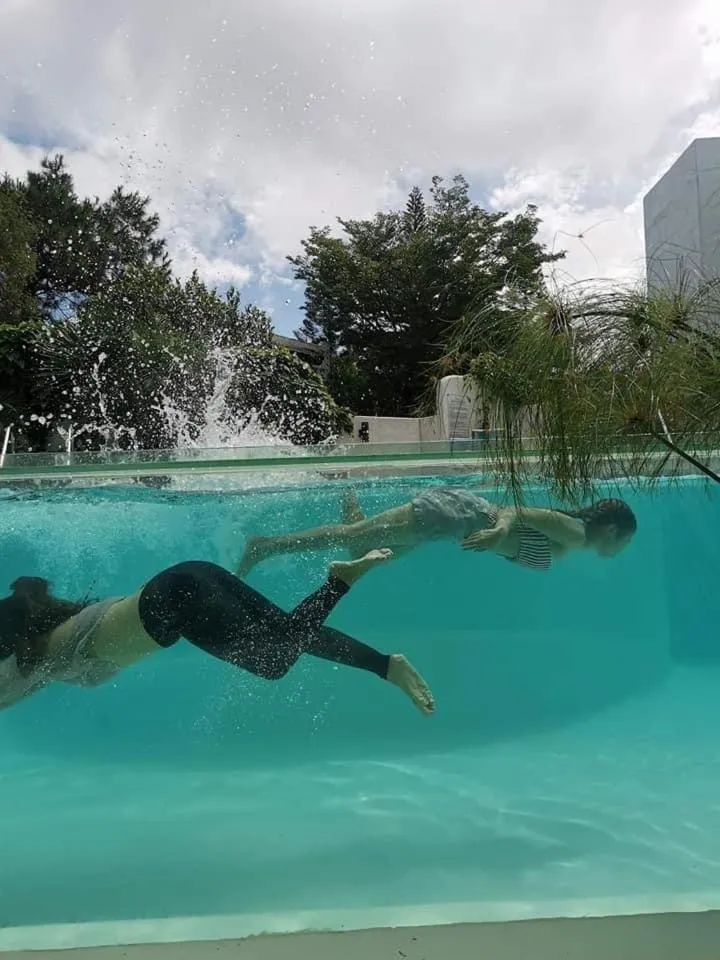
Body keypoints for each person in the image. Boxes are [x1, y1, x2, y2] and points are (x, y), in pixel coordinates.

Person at [0, 550, 435, 716]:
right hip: (189, 574)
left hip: (175, 602)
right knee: (288, 633)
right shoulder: (54, 636)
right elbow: (26, 589)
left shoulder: (32, 664)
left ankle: (338, 582)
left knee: (275, 662)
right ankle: (386, 665)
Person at [237, 487, 637, 576]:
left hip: (452, 525)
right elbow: (515, 510)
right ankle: (264, 546)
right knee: (352, 537)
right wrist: (500, 534)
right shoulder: (576, 533)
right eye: (626, 540)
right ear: (612, 530)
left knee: (369, 553)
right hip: (453, 514)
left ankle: (349, 495)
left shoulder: (574, 540)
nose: (623, 548)